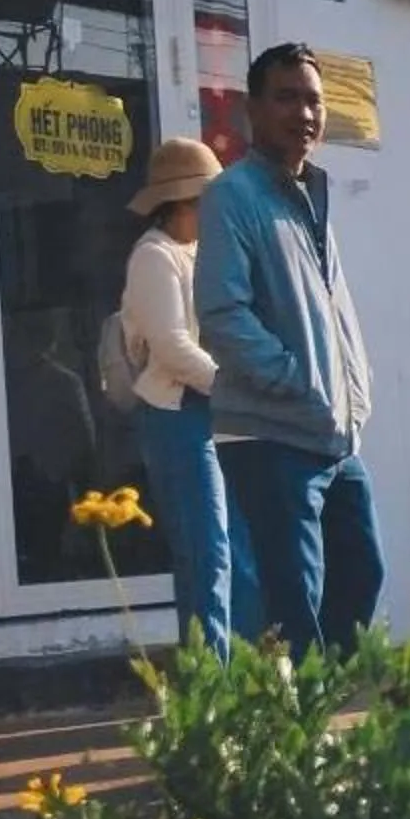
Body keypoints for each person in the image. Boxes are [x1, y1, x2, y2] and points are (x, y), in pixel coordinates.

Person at [197, 43, 383, 658]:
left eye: (313, 99)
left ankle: (313, 702)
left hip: (333, 433)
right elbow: (223, 313)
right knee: (294, 600)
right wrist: (295, 380)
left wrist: (355, 385)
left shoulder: (312, 197)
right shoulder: (234, 196)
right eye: (286, 97)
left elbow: (329, 309)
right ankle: (298, 734)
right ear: (253, 108)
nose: (303, 112)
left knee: (363, 574)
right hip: (272, 434)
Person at [121, 135, 258, 656]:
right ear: (184, 202)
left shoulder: (204, 252)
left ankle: (242, 672)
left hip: (216, 411)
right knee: (207, 551)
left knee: (238, 550)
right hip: (176, 414)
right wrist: (236, 386)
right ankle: (210, 685)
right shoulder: (154, 256)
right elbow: (173, 349)